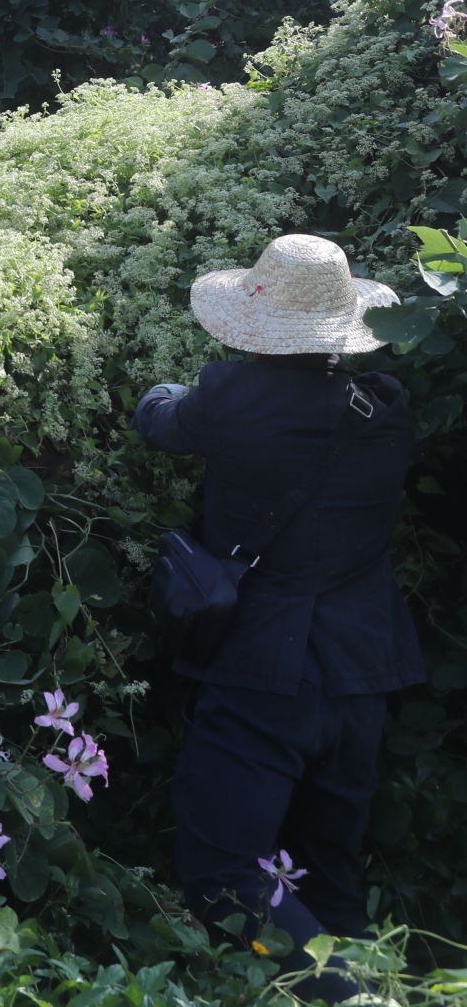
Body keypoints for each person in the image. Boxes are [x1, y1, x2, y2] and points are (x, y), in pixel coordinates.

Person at [134, 234, 422, 1000]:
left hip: (265, 673)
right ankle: (379, 988)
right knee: (330, 882)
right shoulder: (383, 410)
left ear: (256, 324)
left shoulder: (235, 398)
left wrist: (160, 390)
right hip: (360, 674)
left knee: (224, 875)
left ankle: (356, 1002)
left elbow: (161, 422)